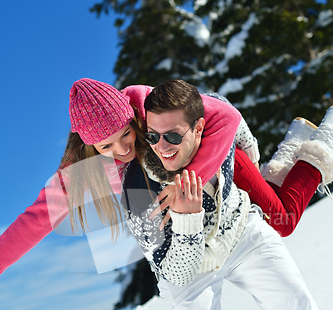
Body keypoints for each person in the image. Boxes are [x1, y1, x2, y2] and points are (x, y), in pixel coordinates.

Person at [119, 79, 333, 310]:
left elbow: (235, 126)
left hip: (238, 231)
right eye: (153, 137)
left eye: (172, 137)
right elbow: (176, 271)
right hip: (186, 270)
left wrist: (251, 157)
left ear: (200, 128)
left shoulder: (218, 132)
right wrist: (186, 220)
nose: (161, 147)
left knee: (295, 304)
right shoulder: (137, 187)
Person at [0, 78, 331, 277]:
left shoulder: (146, 103)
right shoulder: (79, 173)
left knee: (282, 220)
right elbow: (34, 221)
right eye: (106, 145)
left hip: (221, 155)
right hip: (208, 191)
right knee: (276, 209)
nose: (121, 148)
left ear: (131, 117)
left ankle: (324, 144)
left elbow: (225, 116)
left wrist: (188, 180)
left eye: (125, 134)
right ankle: (295, 145)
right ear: (88, 144)